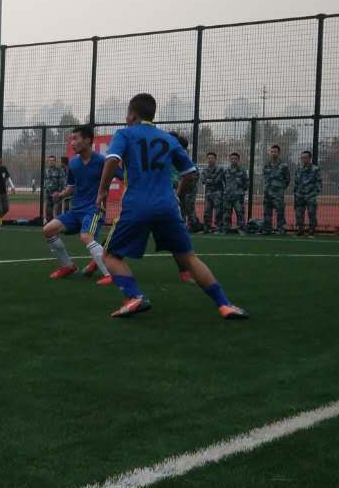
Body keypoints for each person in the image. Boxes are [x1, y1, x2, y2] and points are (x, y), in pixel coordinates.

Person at [94, 93, 248, 320]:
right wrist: (176, 195)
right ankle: (225, 305)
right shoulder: (168, 138)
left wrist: (102, 191)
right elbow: (191, 173)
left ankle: (134, 296)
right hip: (167, 205)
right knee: (188, 258)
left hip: (137, 204)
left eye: (127, 113)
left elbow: (112, 160)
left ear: (132, 115)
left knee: (110, 256)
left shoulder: (125, 133)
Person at [42, 125, 107, 280]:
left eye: (75, 139)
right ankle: (68, 266)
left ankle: (110, 273)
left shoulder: (103, 162)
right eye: (71, 139)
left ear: (87, 140)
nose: (72, 143)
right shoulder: (73, 163)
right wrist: (61, 194)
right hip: (75, 211)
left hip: (94, 210)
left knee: (85, 237)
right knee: (48, 229)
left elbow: (122, 177)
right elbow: (71, 187)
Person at [261, 144, 291, 234]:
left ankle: (281, 229)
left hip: (278, 194)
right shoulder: (267, 165)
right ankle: (267, 229)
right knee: (267, 212)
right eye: (272, 151)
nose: (273, 153)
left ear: (279, 153)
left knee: (280, 212)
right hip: (267, 193)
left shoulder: (284, 166)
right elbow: (264, 177)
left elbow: (287, 179)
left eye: (275, 152)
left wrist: (281, 188)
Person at [219, 152, 248, 233]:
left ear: (238, 160)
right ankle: (226, 228)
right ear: (230, 160)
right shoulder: (226, 170)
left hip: (238, 197)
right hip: (227, 196)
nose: (233, 160)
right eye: (232, 159)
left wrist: (241, 191)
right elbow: (223, 181)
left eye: (235, 159)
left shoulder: (242, 171)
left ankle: (241, 229)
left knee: (240, 213)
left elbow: (246, 183)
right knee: (226, 213)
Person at [294, 151, 321, 236]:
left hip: (311, 195)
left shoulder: (315, 169)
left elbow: (319, 182)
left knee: (311, 212)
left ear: (310, 158)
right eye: (302, 158)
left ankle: (312, 229)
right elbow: (296, 182)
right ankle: (300, 229)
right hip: (300, 195)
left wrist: (314, 193)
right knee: (299, 213)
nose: (303, 159)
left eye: (305, 158)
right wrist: (296, 192)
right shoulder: (299, 169)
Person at [200, 152, 225, 231]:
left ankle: (219, 227)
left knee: (218, 211)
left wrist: (209, 180)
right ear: (207, 159)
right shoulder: (205, 170)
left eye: (212, 158)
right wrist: (211, 180)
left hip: (218, 193)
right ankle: (207, 227)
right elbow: (203, 180)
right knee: (207, 211)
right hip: (208, 193)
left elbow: (218, 180)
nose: (210, 160)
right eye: (209, 158)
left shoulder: (220, 169)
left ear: (215, 159)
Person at [41, 154, 66, 222]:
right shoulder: (46, 171)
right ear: (48, 162)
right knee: (48, 211)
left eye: (52, 160)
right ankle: (49, 223)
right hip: (48, 194)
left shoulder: (59, 170)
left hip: (56, 194)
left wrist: (59, 192)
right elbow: (44, 181)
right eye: (50, 160)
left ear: (55, 161)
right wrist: (45, 189)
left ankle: (57, 224)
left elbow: (62, 182)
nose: (51, 162)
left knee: (57, 211)